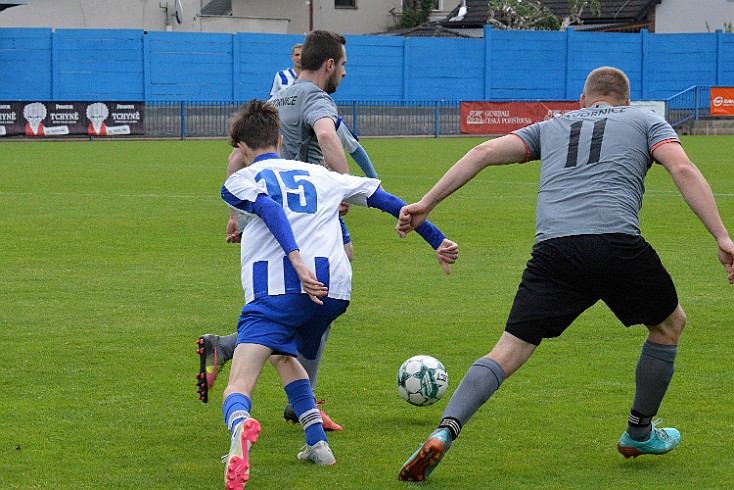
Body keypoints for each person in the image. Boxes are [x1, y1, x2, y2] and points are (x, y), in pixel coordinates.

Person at [395, 66, 734, 482]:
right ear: (626, 101)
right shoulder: (646, 120)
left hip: (554, 251)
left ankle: (444, 431)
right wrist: (721, 237)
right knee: (669, 325)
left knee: (509, 349)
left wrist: (426, 203)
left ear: (582, 101)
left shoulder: (551, 125)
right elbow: (681, 169)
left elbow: (482, 152)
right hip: (616, 243)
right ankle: (639, 431)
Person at [220, 98, 458, 489]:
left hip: (277, 293)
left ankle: (240, 427)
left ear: (242, 148)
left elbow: (270, 210)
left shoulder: (243, 179)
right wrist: (437, 240)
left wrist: (296, 261)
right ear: (280, 140)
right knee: (283, 355)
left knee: (239, 383)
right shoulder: (320, 174)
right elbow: (388, 202)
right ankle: (318, 444)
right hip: (333, 295)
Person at [197, 30, 372, 431]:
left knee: (298, 295)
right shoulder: (317, 97)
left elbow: (235, 158)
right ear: (329, 65)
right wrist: (344, 187)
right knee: (320, 292)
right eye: (342, 66)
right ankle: (300, 400)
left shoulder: (278, 98)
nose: (343, 73)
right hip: (309, 205)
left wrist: (233, 217)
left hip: (274, 205)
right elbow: (328, 135)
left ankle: (226, 347)